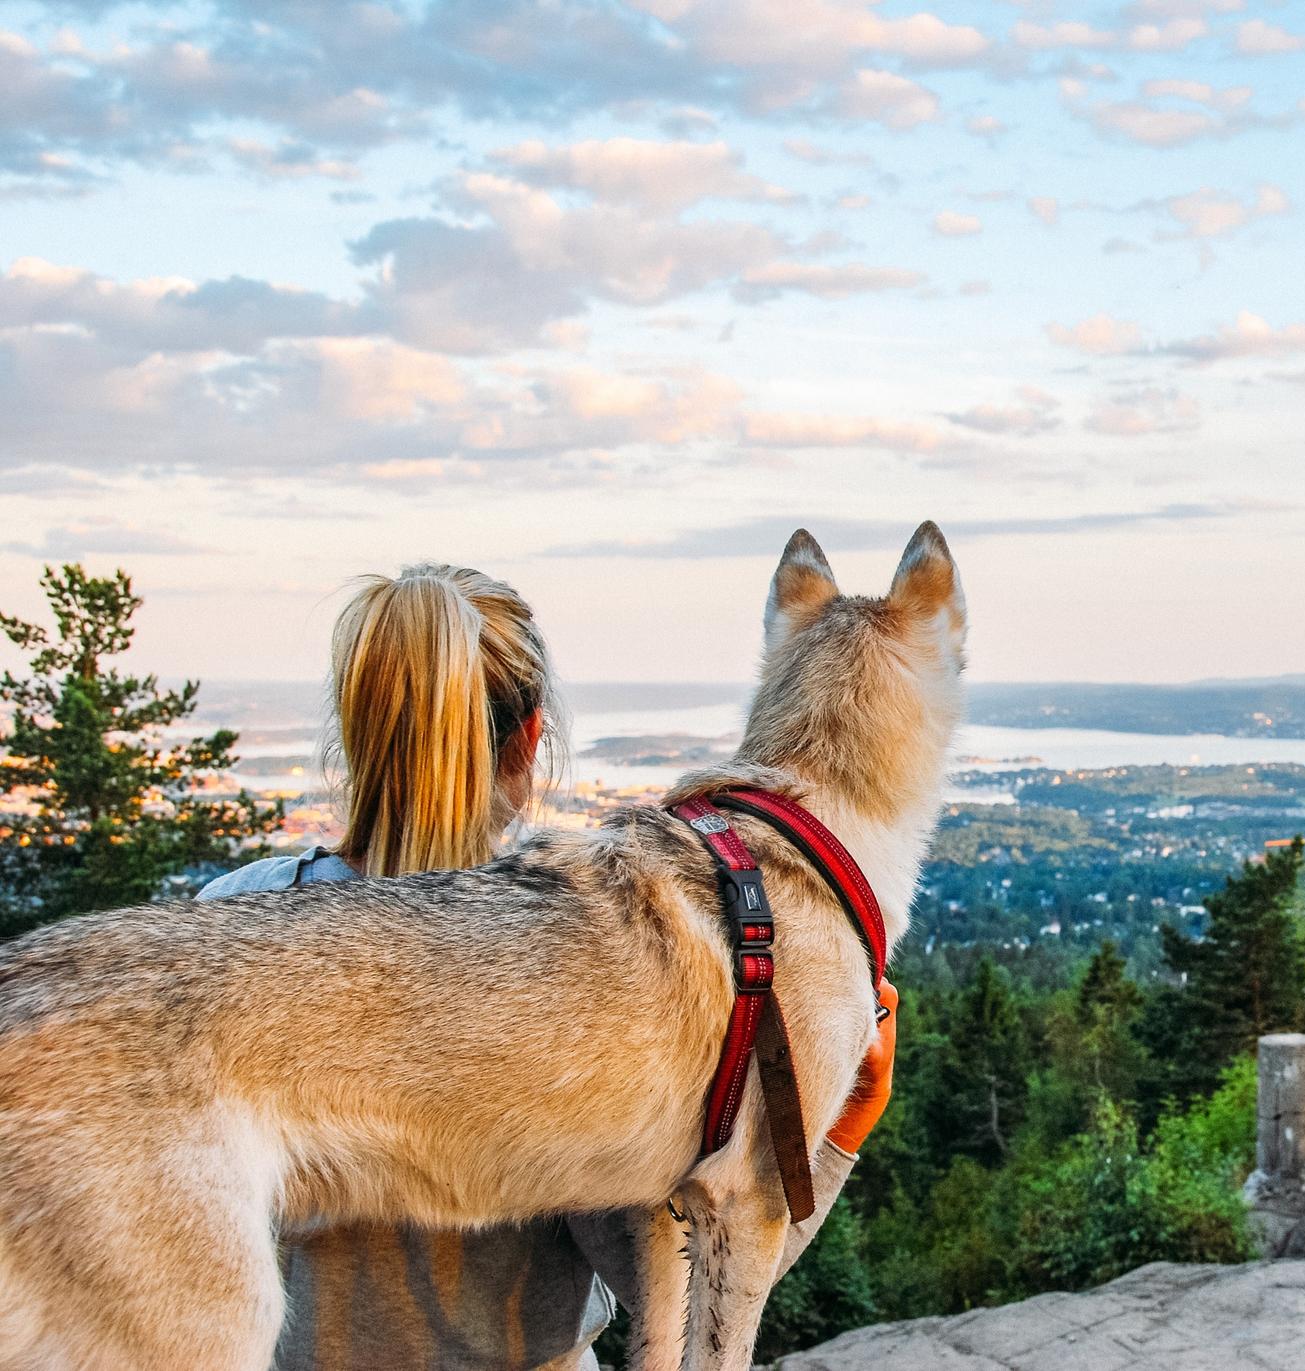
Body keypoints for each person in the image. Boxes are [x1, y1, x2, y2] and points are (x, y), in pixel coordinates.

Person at [200, 563, 897, 1371]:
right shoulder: (582, 960)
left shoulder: (231, 927)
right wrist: (840, 1125)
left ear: (357, 731)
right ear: (529, 738)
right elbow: (687, 1279)